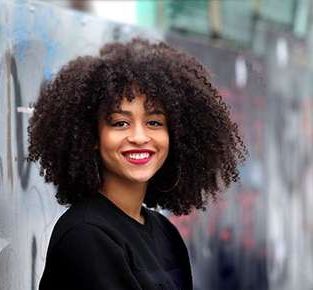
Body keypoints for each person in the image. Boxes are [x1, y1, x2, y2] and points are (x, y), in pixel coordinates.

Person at [28, 37, 247, 290]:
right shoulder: (87, 236)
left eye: (154, 122)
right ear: (92, 137)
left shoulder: (166, 233)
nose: (140, 137)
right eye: (120, 123)